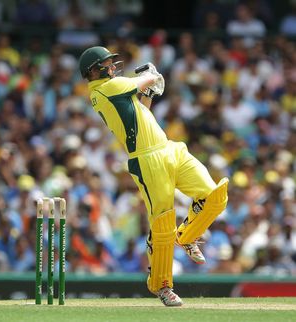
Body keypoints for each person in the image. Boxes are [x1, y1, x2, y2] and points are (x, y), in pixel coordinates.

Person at [79, 46, 229, 306]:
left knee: (214, 195)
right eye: (108, 63)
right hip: (147, 159)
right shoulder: (101, 90)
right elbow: (144, 80)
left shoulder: (119, 91)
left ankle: (188, 235)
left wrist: (149, 88)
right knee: (162, 224)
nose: (113, 67)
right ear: (94, 70)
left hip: (170, 148)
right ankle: (161, 285)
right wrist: (152, 75)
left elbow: (143, 110)